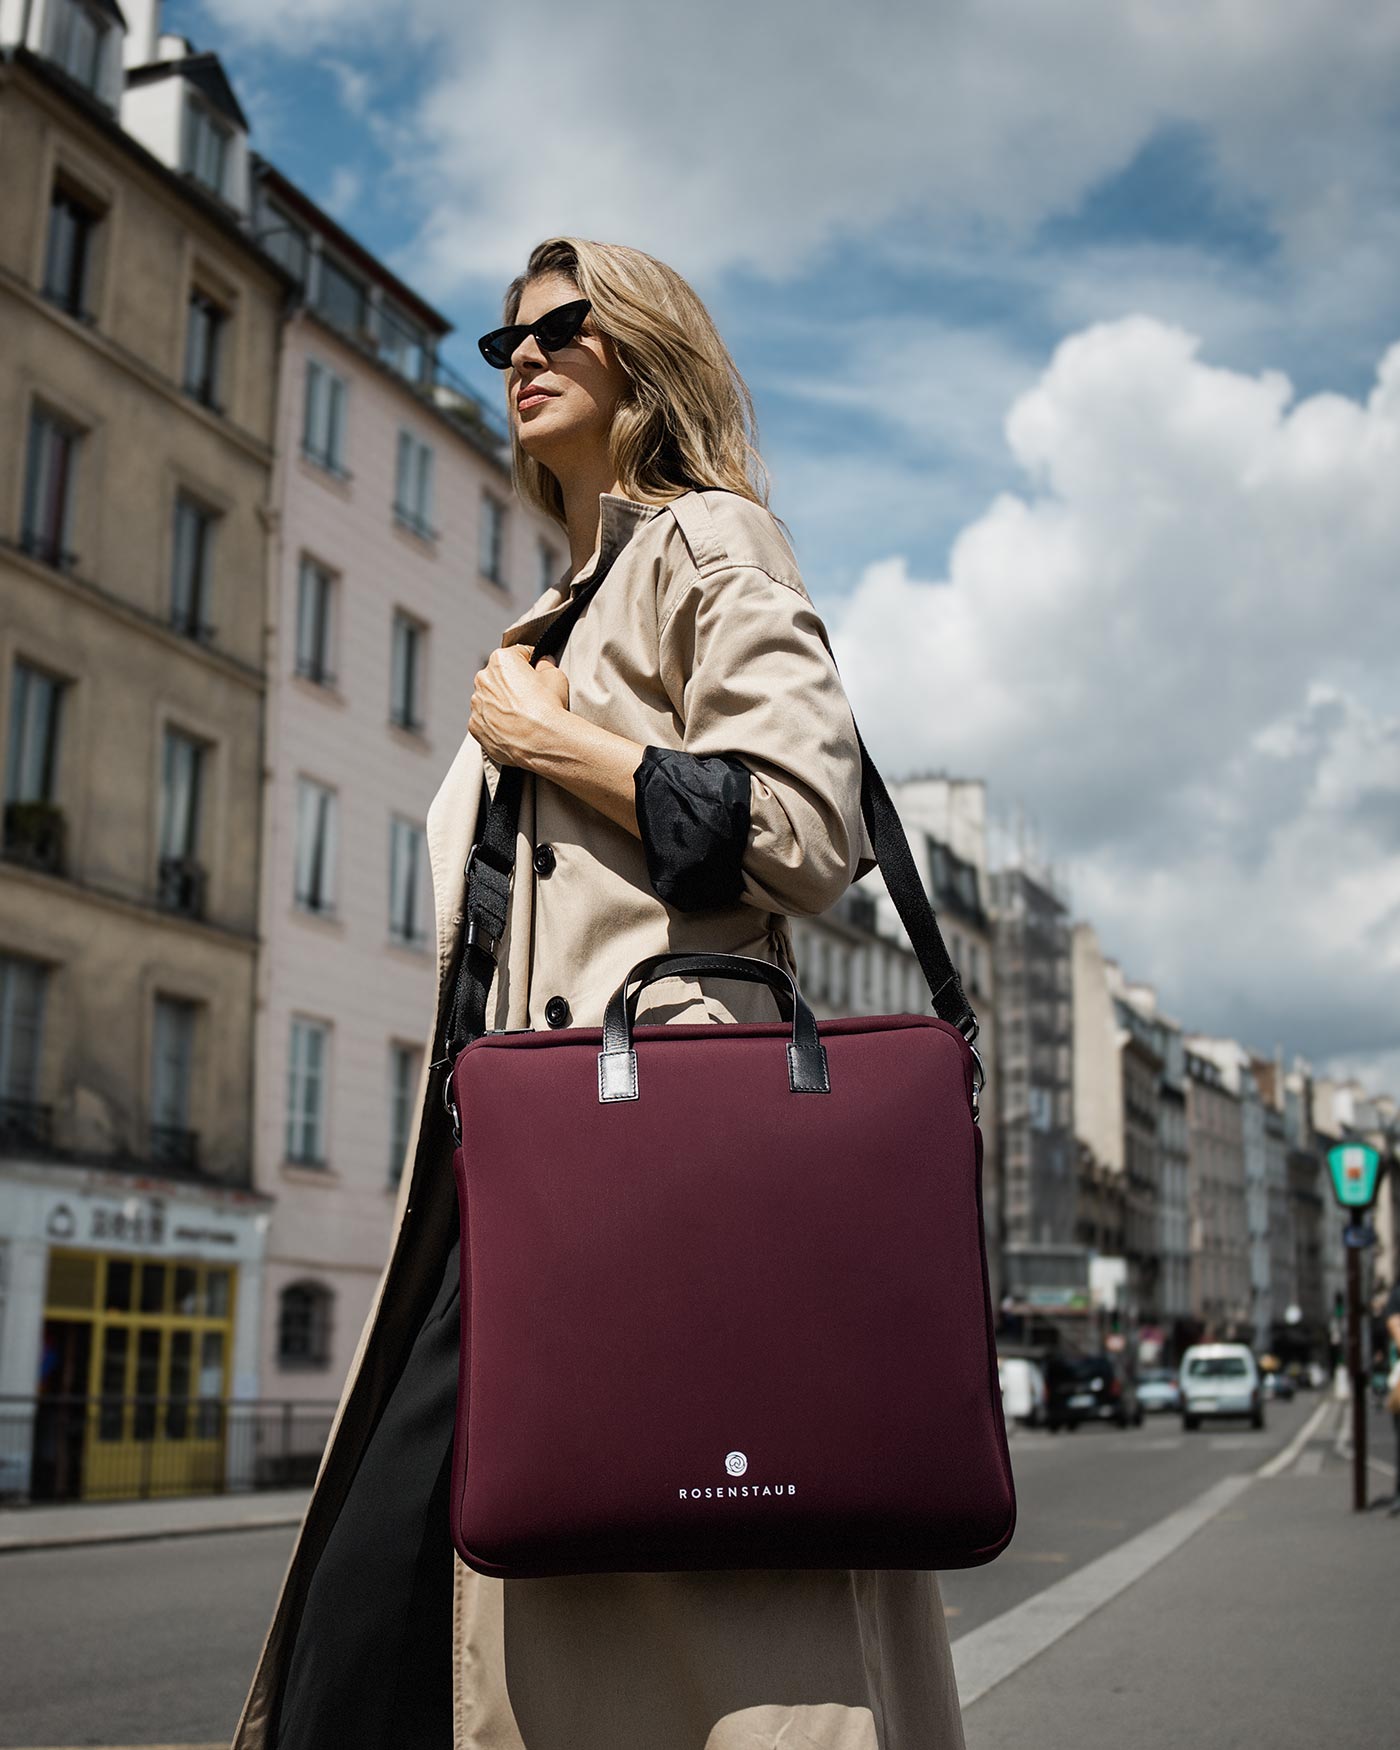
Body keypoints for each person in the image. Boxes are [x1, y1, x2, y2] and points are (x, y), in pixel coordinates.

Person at [232, 236, 966, 1749]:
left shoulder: (711, 544)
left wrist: (560, 743)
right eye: (507, 342)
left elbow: (803, 831)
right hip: (514, 1184)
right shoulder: (553, 616)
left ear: (646, 357)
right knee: (368, 1644)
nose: (525, 357)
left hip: (657, 1167)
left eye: (566, 327)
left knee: (526, 1636)